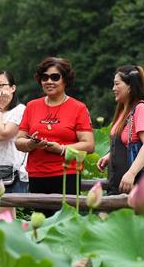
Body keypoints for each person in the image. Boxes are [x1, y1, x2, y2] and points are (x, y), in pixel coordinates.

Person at [15, 57, 95, 202]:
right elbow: (19, 141)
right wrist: (30, 144)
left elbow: (89, 145)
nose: (49, 81)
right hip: (36, 175)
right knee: (39, 217)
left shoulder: (78, 108)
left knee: (65, 216)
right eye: (44, 77)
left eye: (55, 77)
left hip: (67, 174)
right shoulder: (32, 106)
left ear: (65, 80)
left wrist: (61, 149)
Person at [96, 65, 144, 194]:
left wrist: (131, 173)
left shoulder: (141, 109)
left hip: (137, 186)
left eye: (117, 84)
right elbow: (128, 143)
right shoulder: (124, 112)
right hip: (118, 185)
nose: (113, 88)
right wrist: (110, 156)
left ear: (130, 86)